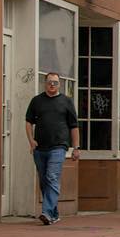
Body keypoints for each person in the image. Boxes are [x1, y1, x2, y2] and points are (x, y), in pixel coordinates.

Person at [25, 71, 79, 225]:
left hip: (59, 146)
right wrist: (31, 141)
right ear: (45, 83)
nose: (52, 85)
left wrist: (76, 147)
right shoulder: (36, 101)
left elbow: (74, 126)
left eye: (55, 82)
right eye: (49, 82)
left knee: (52, 177)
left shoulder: (66, 102)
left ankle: (47, 212)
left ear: (59, 84)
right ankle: (53, 214)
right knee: (44, 181)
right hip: (40, 147)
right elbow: (28, 122)